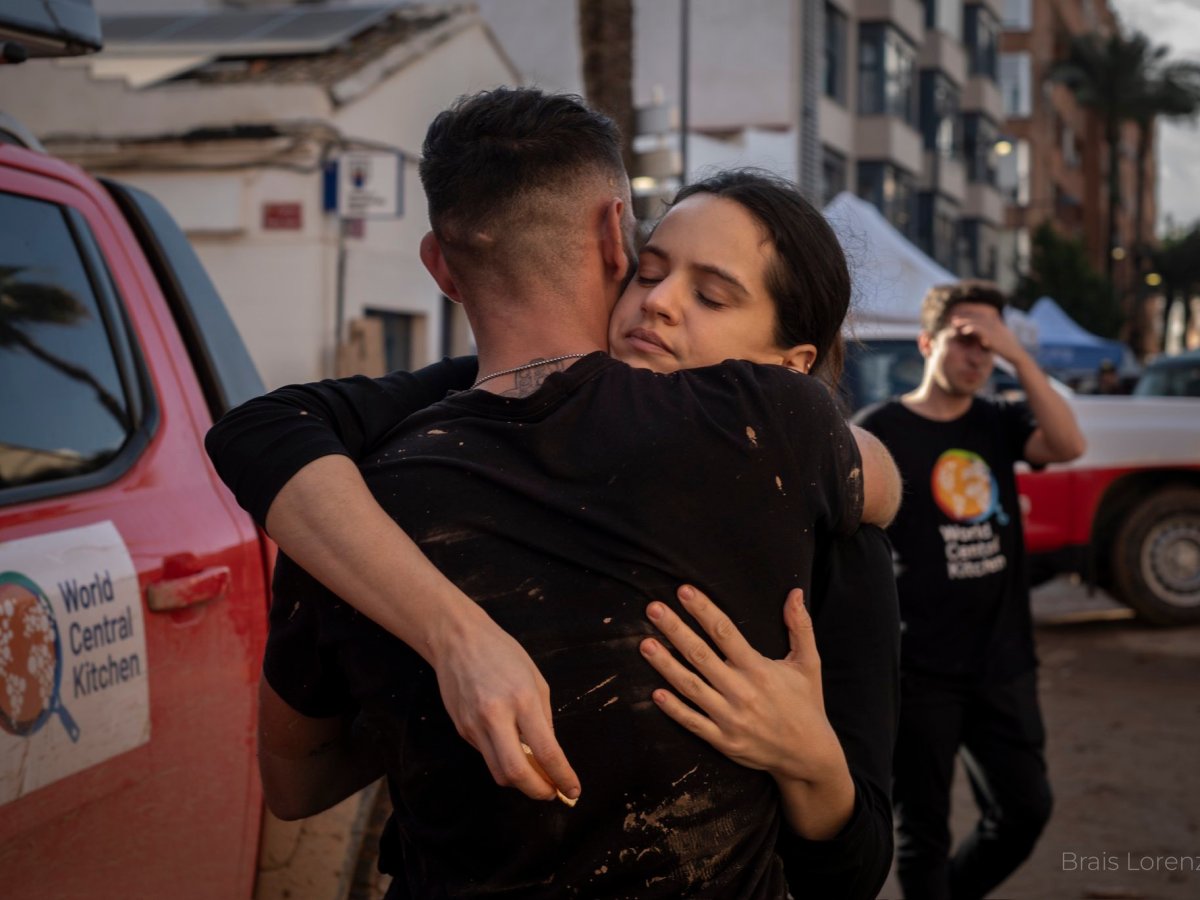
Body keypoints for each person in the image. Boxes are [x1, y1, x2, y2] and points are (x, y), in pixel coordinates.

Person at [211, 89, 900, 898]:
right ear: (616, 240)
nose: (661, 303)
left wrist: (811, 759)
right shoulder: (790, 442)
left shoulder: (346, 502)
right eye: (650, 270)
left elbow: (294, 784)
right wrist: (448, 655)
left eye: (712, 297)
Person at [854, 281, 1086, 900]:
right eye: (966, 339)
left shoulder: (997, 421)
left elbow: (1069, 445)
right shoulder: (879, 431)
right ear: (928, 342)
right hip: (918, 669)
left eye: (992, 343)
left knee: (1025, 810)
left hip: (1002, 662)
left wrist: (1021, 356)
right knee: (920, 833)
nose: (979, 354)